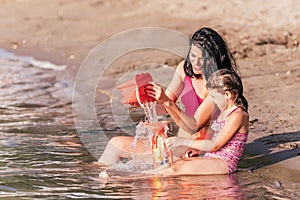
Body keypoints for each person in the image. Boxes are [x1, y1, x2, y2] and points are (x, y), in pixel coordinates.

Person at [99, 27, 238, 165]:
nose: (196, 63)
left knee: (158, 171)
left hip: (202, 148)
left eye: (202, 58)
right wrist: (144, 99)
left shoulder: (219, 83)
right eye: (193, 56)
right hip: (179, 142)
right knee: (114, 144)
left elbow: (193, 126)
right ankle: (96, 181)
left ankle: (111, 178)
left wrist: (166, 101)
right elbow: (165, 106)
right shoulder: (184, 69)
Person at [146, 69, 249, 175]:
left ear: (227, 95)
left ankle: (133, 180)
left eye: (214, 97)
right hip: (213, 157)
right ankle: (140, 178)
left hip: (225, 163)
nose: (212, 101)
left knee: (175, 169)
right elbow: (218, 138)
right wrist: (199, 151)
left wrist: (182, 141)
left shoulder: (238, 114)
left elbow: (215, 145)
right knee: (174, 162)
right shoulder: (225, 111)